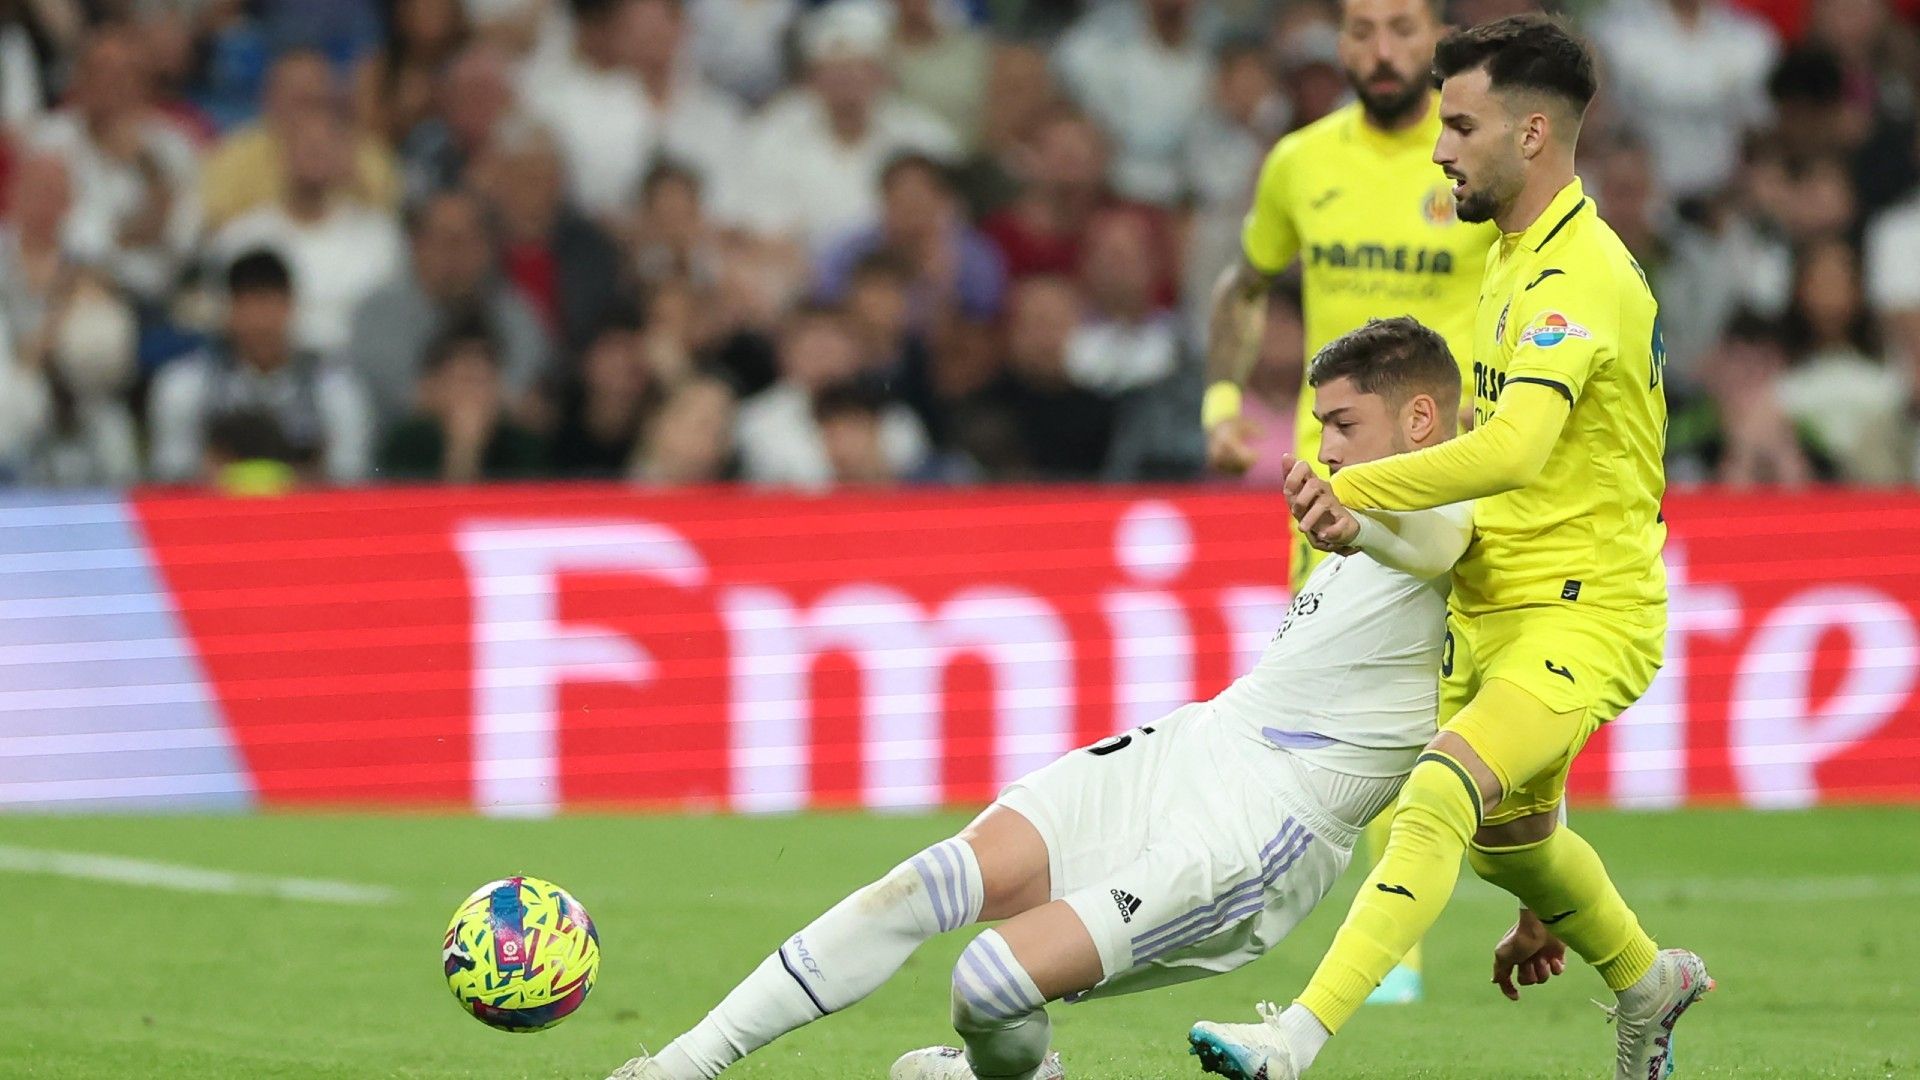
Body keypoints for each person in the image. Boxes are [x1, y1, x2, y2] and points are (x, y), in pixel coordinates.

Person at [602, 316, 1474, 1080]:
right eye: (1321, 425)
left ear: (1422, 419)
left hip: (1264, 831)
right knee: (923, 883)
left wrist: (1357, 522)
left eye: (1344, 425)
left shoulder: (1465, 509)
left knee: (985, 983)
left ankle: (1005, 1072)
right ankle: (679, 1064)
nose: (1325, 448)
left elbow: (1440, 544)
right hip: (1198, 742)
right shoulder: (1371, 502)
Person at [1185, 18, 1709, 1080]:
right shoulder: (1517, 256)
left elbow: (1516, 450)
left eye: (1460, 124)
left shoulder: (1577, 278)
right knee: (1510, 844)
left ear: (1529, 132)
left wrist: (1356, 486)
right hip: (1497, 601)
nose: (1438, 147)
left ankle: (1294, 1040)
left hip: (1582, 611)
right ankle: (1650, 981)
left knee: (1435, 791)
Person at [1199, 0, 1500, 1005]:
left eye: (1405, 28)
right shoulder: (1300, 162)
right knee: (1328, 705)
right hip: (1326, 487)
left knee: (1452, 702)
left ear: (1437, 39)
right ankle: (1329, 919)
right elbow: (1245, 287)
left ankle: (1411, 936)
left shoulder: (1474, 159)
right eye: (1365, 28)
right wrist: (1222, 398)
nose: (1384, 50)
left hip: (1453, 484)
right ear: (1337, 41)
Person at [148, 249, 373, 485]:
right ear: (230, 310)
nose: (260, 322)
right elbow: (170, 473)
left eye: (269, 305)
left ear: (290, 307)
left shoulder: (331, 383)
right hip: (216, 510)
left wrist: (301, 480)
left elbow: (350, 474)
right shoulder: (187, 383)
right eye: (248, 307)